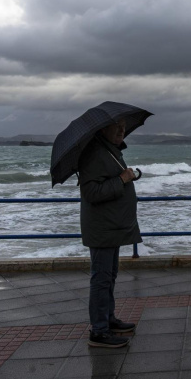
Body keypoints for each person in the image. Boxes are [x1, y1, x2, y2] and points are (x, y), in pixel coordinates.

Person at [78, 118, 140, 348]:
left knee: (109, 275)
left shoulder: (109, 150)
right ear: (102, 128)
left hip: (111, 225)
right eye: (116, 126)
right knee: (101, 278)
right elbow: (92, 192)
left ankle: (108, 318)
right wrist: (122, 179)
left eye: (124, 126)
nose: (122, 129)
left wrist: (124, 177)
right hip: (102, 227)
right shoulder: (94, 154)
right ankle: (99, 331)